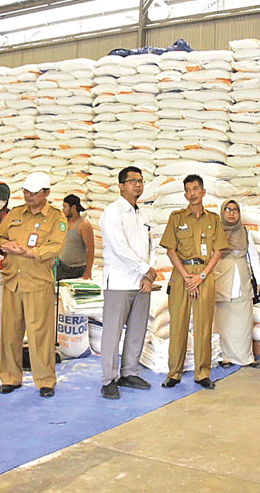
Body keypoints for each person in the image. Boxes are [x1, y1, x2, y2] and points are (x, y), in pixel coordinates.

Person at [0, 172, 67, 398]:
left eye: (34, 193)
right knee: (10, 333)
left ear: (46, 193)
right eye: (26, 192)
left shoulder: (57, 217)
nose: (29, 196)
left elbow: (56, 246)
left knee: (40, 334)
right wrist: (4, 246)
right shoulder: (15, 213)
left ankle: (45, 380)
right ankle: (10, 377)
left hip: (37, 283)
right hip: (12, 281)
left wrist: (30, 252)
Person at [159, 174, 228, 390]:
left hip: (204, 276)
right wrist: (186, 276)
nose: (192, 193)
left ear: (203, 192)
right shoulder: (176, 217)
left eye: (195, 189)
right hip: (182, 275)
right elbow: (170, 250)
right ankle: (174, 373)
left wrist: (202, 276)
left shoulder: (213, 220)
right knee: (178, 324)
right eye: (188, 190)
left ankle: (202, 373)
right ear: (185, 194)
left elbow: (218, 251)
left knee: (203, 324)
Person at [99, 166, 157, 399]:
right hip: (120, 282)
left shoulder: (142, 215)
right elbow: (119, 248)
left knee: (137, 330)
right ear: (121, 185)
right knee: (112, 333)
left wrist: (147, 275)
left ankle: (129, 372)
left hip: (141, 282)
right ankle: (108, 379)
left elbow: (151, 246)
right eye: (133, 181)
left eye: (141, 181)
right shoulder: (112, 213)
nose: (138, 185)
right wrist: (146, 269)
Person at [213, 200, 260, 368]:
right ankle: (224, 356)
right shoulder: (216, 231)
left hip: (242, 277)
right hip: (222, 278)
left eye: (235, 210)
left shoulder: (244, 232)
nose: (231, 213)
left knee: (244, 320)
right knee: (222, 320)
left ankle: (246, 357)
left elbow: (253, 257)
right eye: (228, 210)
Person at [57, 194, 94, 280]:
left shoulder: (84, 224)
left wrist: (88, 272)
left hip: (77, 268)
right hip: (62, 266)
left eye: (65, 207)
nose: (63, 210)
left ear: (73, 208)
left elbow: (90, 249)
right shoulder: (63, 222)